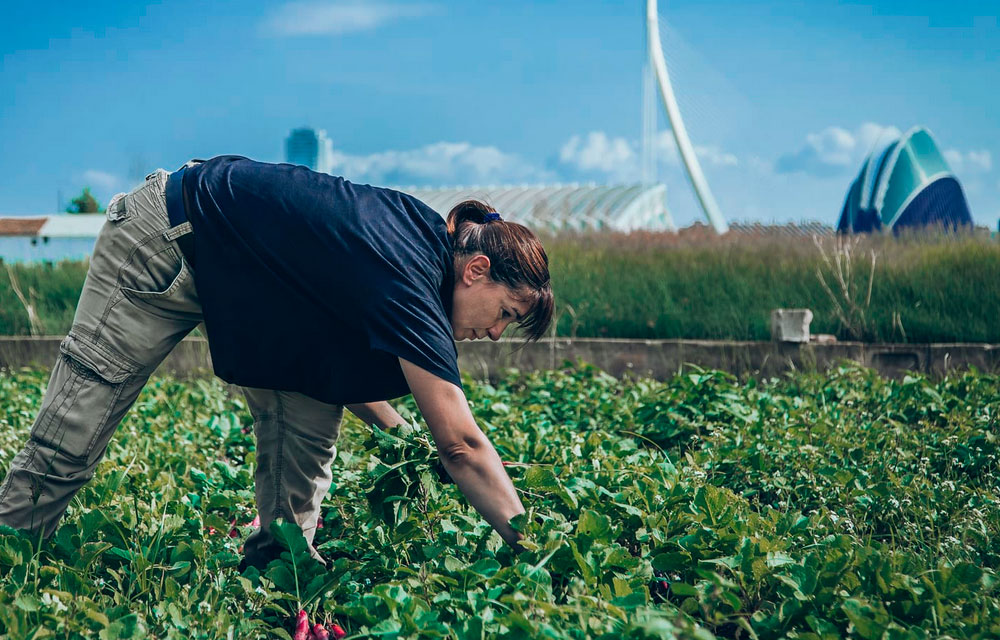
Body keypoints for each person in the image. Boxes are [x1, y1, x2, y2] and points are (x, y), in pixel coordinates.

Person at [0, 156, 553, 569]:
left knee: (302, 473)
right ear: (476, 270)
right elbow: (460, 445)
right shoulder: (408, 272)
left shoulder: (420, 263)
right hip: (170, 237)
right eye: (506, 312)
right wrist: (539, 549)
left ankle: (271, 582)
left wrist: (399, 436)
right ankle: (10, 554)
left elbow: (335, 371)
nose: (497, 333)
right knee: (78, 425)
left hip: (274, 309)